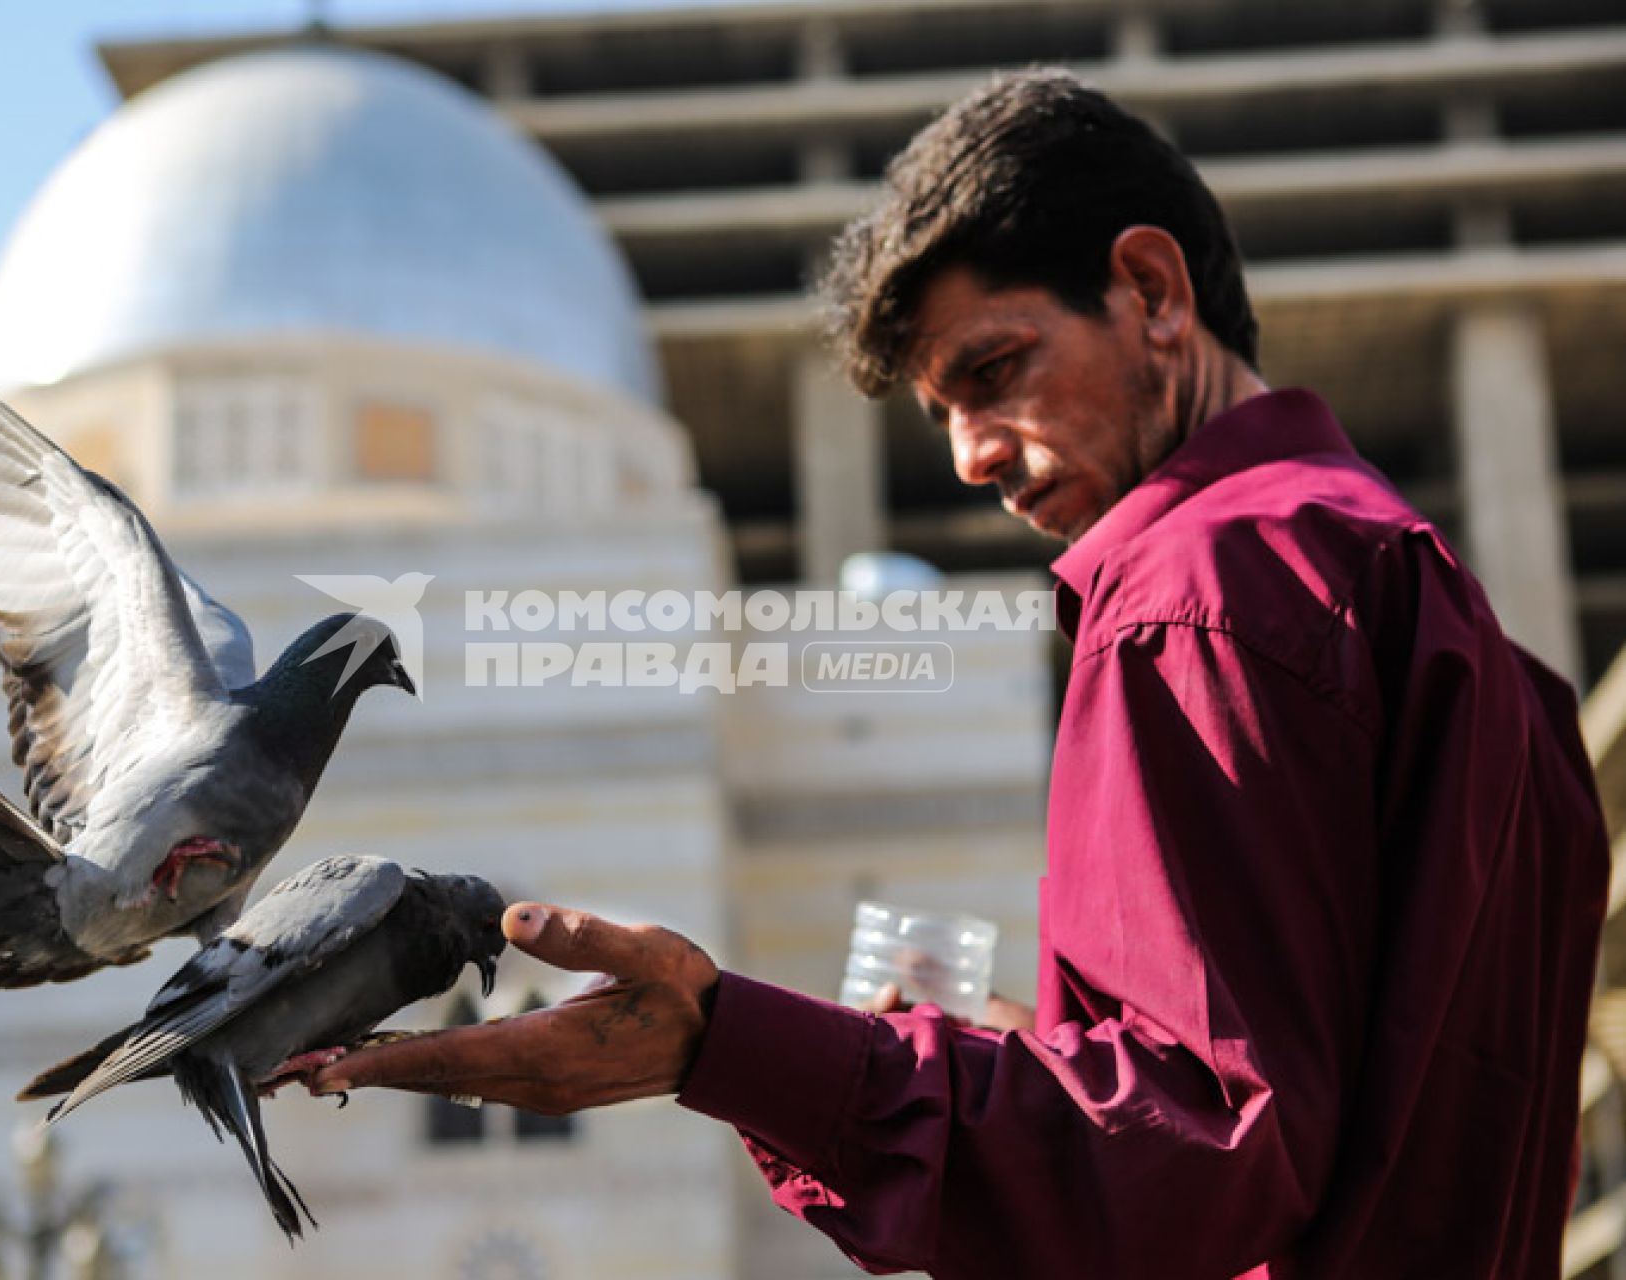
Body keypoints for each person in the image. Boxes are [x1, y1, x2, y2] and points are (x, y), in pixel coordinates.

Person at [300, 69, 1610, 1278]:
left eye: (995, 371)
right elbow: (1340, 1118)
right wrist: (1040, 1059)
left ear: (1153, 290)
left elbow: (1202, 1154)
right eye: (944, 417)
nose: (974, 457)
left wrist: (721, 1043)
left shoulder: (1185, 601)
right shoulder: (1471, 642)